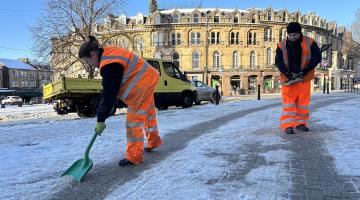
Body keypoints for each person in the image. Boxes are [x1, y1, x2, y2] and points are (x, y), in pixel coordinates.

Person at [78, 36, 163, 166]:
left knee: (133, 122)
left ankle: (134, 156)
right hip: (148, 77)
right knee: (149, 114)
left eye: (88, 61)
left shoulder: (109, 64)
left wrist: (101, 119)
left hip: (142, 85)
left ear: (93, 54)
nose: (90, 65)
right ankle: (154, 141)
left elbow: (109, 93)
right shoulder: (109, 53)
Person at [275, 22, 321, 134]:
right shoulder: (281, 45)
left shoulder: (309, 42)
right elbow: (278, 61)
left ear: (300, 33)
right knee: (289, 103)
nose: (292, 37)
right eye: (290, 35)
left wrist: (305, 70)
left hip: (303, 78)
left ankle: (300, 123)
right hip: (288, 80)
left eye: (295, 34)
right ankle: (287, 125)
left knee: (302, 103)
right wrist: (287, 73)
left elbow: (317, 57)